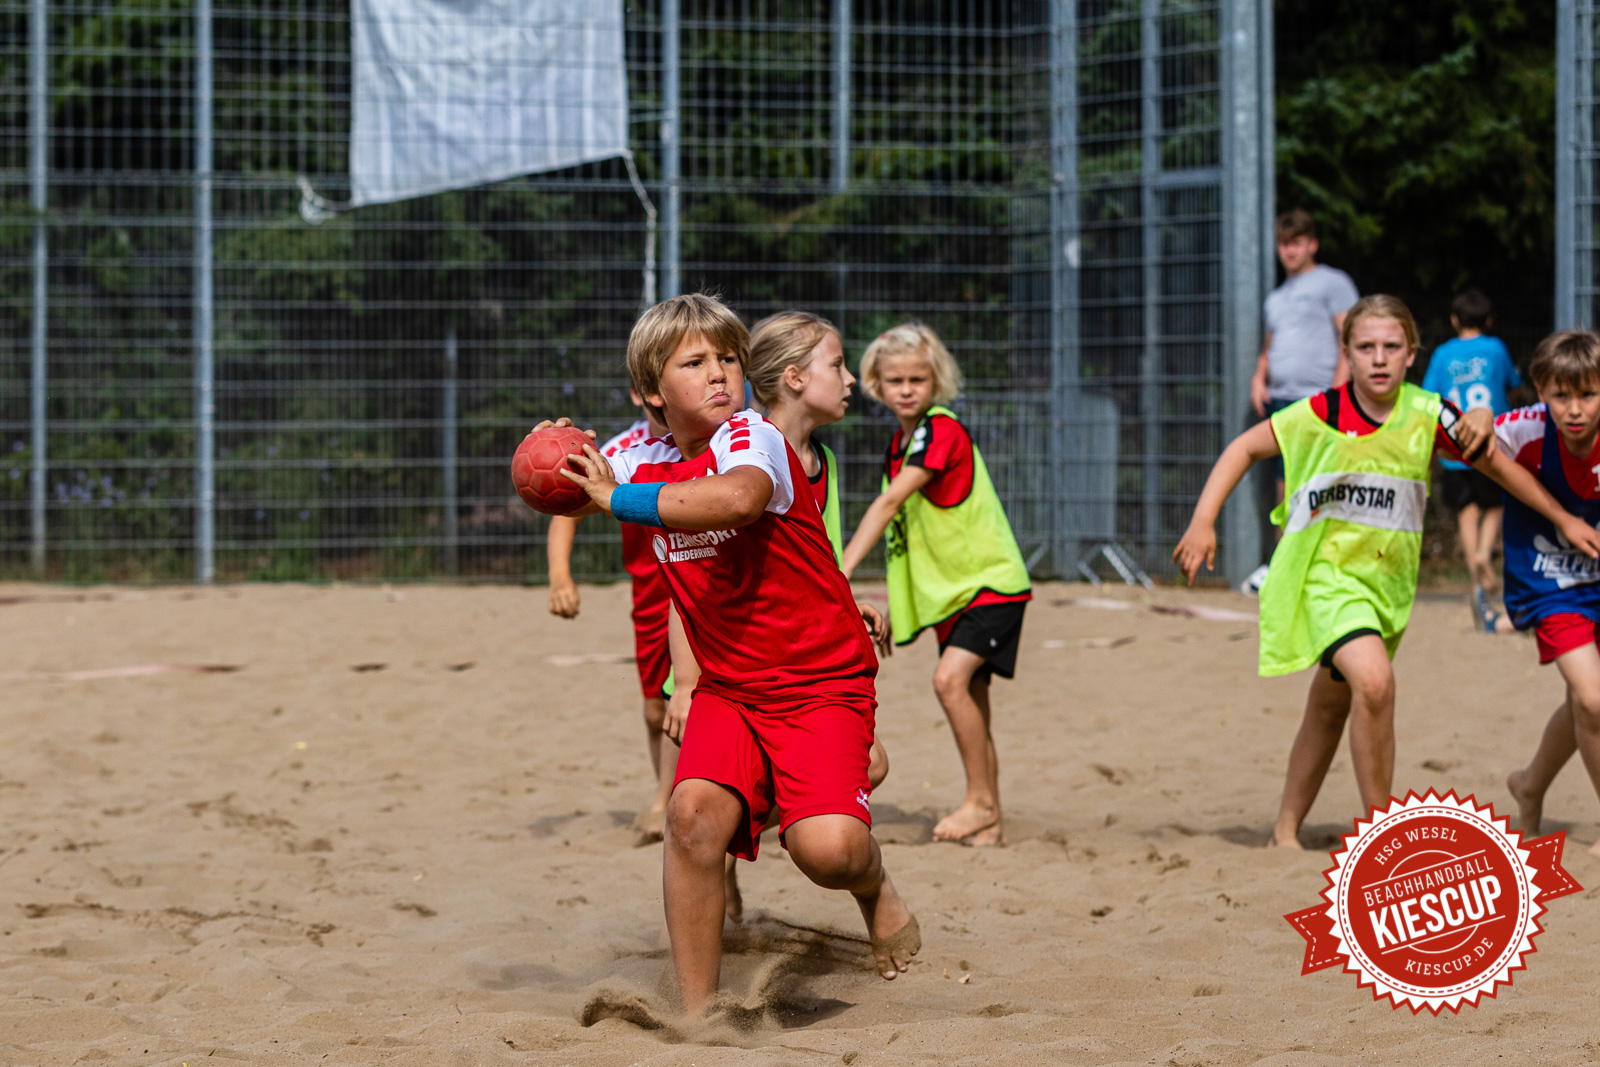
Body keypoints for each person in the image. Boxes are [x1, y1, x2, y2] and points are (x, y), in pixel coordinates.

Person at [544, 293, 918, 1016]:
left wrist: (618, 501)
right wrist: (549, 450)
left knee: (828, 852)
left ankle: (875, 888)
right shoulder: (639, 455)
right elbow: (568, 484)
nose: (719, 373)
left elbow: (739, 499)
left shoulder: (754, 436)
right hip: (730, 687)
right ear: (652, 391)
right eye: (694, 363)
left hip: (819, 681)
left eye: (727, 358)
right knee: (690, 817)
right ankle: (698, 1017)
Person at [1173, 296, 1598, 847]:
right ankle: (1382, 835)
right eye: (1366, 347)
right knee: (1374, 682)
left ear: (1411, 354)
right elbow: (1243, 449)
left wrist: (1559, 514)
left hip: (1385, 588)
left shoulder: (1428, 414)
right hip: (1324, 580)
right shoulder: (1320, 412)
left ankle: (1284, 830)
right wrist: (1203, 520)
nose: (1379, 358)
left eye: (1391, 347)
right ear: (1346, 353)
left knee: (1331, 704)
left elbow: (1495, 462)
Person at [840, 323, 1031, 847]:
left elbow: (889, 505)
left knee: (948, 681)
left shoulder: (939, 430)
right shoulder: (899, 444)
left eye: (917, 379)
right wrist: (901, 608)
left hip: (990, 584)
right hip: (953, 596)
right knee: (973, 700)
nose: (906, 389)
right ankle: (991, 819)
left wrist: (841, 570)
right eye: (895, 380)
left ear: (936, 380)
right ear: (877, 383)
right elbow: (908, 540)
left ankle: (979, 801)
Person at [545, 393, 675, 842]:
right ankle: (668, 796)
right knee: (657, 709)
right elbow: (568, 509)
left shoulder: (724, 441)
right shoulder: (623, 450)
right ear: (639, 391)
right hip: (653, 598)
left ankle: (671, 803)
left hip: (714, 592)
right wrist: (560, 577)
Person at [1489, 332, 1600, 839]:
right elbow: (1460, 441)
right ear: (1540, 391)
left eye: (1588, 395)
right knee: (1592, 700)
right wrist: (1475, 418)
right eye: (1561, 395)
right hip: (1550, 584)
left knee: (1586, 700)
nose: (1574, 409)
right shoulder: (1522, 430)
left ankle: (1530, 784)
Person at [1243, 210, 1361, 592]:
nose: (1289, 251)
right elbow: (1269, 347)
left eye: (1296, 243)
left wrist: (1337, 394)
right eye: (1284, 244)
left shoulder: (1333, 283)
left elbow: (1350, 339)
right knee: (1286, 486)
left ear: (1312, 244)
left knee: (1320, 485)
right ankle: (1285, 567)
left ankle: (1317, 568)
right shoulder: (1276, 297)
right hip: (1281, 401)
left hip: (1319, 400)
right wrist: (1259, 377)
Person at [1420, 288, 1524, 627]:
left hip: (1455, 446)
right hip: (1490, 444)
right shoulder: (1495, 348)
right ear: (1488, 320)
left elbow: (1429, 396)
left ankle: (1476, 580)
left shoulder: (1442, 353)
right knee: (1495, 505)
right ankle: (1483, 553)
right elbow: (1513, 383)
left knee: (1466, 510)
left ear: (1454, 320)